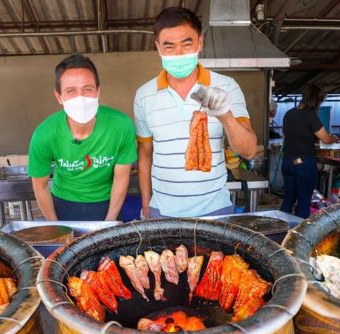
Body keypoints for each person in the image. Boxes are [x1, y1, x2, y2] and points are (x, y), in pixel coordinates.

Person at [134, 7, 256, 218]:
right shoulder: (144, 95)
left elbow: (249, 150)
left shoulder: (227, 86)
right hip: (161, 211)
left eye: (186, 44)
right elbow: (145, 153)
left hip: (214, 210)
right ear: (158, 48)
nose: (178, 53)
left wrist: (224, 115)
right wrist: (146, 205)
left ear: (200, 43)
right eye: (169, 46)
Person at [28, 54, 136, 221]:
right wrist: (55, 226)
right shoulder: (44, 134)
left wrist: (109, 222)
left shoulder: (121, 126)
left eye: (88, 89)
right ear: (59, 96)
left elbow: (121, 178)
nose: (81, 98)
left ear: (98, 92)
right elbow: (40, 186)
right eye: (71, 91)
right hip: (63, 204)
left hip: (107, 204)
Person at [279, 85, 339, 218]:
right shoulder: (311, 116)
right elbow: (325, 139)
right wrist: (333, 138)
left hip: (288, 161)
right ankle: (300, 236)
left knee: (288, 199)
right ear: (317, 101)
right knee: (303, 202)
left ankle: (281, 232)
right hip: (303, 163)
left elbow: (294, 134)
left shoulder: (289, 113)